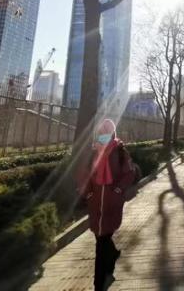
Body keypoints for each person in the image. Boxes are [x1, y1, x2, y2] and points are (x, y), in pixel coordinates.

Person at [77, 119, 138, 291]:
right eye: (101, 132)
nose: (104, 135)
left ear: (112, 133)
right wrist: (88, 193)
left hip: (112, 204)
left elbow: (130, 172)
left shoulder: (120, 151)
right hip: (95, 204)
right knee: (101, 239)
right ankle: (112, 258)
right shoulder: (93, 151)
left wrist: (118, 190)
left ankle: (98, 284)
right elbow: (83, 174)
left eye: (107, 132)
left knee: (101, 243)